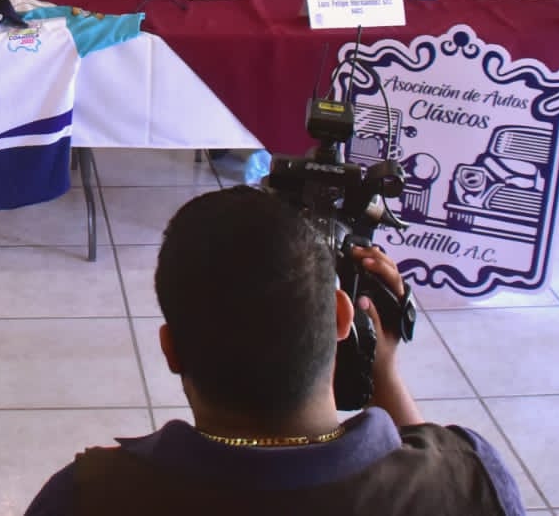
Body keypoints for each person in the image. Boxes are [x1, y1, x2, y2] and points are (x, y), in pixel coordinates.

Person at [26, 186, 524, 515]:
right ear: (341, 318)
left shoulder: (86, 497)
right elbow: (425, 461)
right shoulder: (469, 480)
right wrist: (384, 370)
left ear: (171, 350)